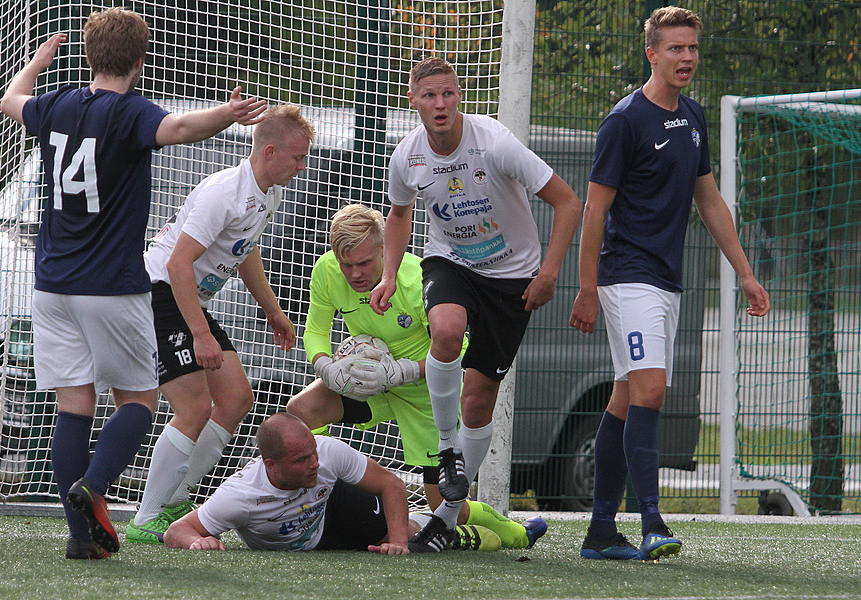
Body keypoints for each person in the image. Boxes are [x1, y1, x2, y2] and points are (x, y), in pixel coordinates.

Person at [0, 8, 266, 560]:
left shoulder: (57, 103)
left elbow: (11, 101)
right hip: (111, 286)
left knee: (74, 404)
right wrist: (231, 112)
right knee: (140, 399)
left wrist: (35, 63)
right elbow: (183, 127)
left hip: (50, 285)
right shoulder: (131, 112)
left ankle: (80, 540)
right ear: (141, 63)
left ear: (89, 57)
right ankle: (93, 491)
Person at [568, 6, 770, 561]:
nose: (687, 58)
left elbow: (708, 199)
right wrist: (587, 287)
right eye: (676, 48)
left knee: (628, 399)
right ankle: (653, 520)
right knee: (651, 390)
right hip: (624, 277)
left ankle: (602, 532)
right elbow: (594, 210)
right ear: (651, 54)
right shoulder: (625, 120)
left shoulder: (693, 117)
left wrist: (746, 274)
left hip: (664, 281)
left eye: (693, 48)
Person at [369, 57, 582, 541]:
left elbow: (570, 202)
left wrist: (549, 273)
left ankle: (446, 518)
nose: (439, 104)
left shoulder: (495, 143)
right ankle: (448, 452)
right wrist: (386, 275)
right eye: (429, 96)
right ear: (413, 101)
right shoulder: (406, 156)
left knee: (480, 400)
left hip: (513, 278)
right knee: (444, 331)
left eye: (447, 93)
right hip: (452, 263)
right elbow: (399, 215)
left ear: (459, 94)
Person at [286, 202, 545, 551]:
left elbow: (460, 348)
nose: (354, 274)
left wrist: (403, 371)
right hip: (368, 382)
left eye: (364, 263)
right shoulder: (326, 271)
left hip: (426, 394)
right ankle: (320, 497)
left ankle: (513, 533)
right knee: (302, 409)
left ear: (384, 249)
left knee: (443, 503)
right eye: (346, 264)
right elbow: (315, 331)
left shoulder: (416, 279)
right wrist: (326, 367)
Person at [125, 104, 313, 544]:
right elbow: (177, 263)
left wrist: (273, 310)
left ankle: (175, 498)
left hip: (184, 298)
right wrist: (200, 332)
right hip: (158, 295)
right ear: (269, 151)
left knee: (236, 398)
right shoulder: (224, 192)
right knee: (192, 408)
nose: (302, 167)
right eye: (297, 158)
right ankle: (145, 518)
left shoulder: (269, 191)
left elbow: (245, 251)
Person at [164, 412, 455, 553]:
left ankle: (450, 527)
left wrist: (399, 543)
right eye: (301, 459)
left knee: (413, 540)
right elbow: (177, 531)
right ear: (271, 466)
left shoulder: (327, 452)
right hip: (315, 542)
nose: (314, 463)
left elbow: (391, 484)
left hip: (333, 505)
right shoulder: (240, 496)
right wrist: (196, 543)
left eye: (312, 453)